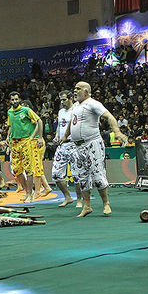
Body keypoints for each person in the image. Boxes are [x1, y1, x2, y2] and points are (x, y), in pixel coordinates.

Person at [59, 81, 127, 217]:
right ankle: (87, 206)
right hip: (78, 146)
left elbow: (109, 116)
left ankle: (106, 203)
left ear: (86, 91)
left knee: (97, 175)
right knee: (82, 176)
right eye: (74, 88)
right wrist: (65, 135)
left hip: (92, 143)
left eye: (78, 89)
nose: (75, 90)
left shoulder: (93, 103)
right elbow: (72, 123)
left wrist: (117, 132)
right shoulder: (76, 106)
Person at [6, 92, 43, 203]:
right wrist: (8, 136)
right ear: (10, 101)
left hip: (26, 141)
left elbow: (39, 121)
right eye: (12, 99)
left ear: (19, 99)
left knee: (28, 169)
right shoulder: (10, 112)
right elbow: (11, 126)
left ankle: (30, 194)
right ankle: (27, 191)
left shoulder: (26, 111)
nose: (14, 101)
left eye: (16, 99)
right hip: (14, 143)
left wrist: (39, 137)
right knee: (16, 170)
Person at [51, 90, 82, 207]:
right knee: (56, 174)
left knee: (77, 175)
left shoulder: (76, 110)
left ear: (70, 98)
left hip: (74, 145)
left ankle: (79, 199)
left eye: (64, 99)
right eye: (61, 100)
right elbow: (60, 125)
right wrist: (56, 136)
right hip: (61, 145)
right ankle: (68, 197)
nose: (62, 102)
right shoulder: (60, 112)